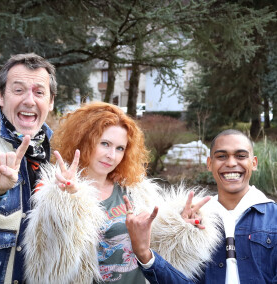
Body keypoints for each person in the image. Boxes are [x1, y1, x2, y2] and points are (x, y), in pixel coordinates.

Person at [22, 102, 222, 284]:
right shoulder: (55, 196)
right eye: (105, 144)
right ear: (84, 141)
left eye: (120, 148)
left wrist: (181, 227)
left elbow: (158, 252)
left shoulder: (137, 192)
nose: (111, 155)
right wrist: (67, 201)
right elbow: (51, 264)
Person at [124, 129, 277, 284]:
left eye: (241, 156)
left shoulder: (274, 217)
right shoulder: (194, 221)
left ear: (254, 163)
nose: (231, 163)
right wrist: (146, 254)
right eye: (222, 156)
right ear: (209, 164)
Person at [0, 53, 57, 284]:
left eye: (39, 92)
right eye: (19, 90)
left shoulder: (49, 156)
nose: (30, 100)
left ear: (50, 102)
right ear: (0, 95)